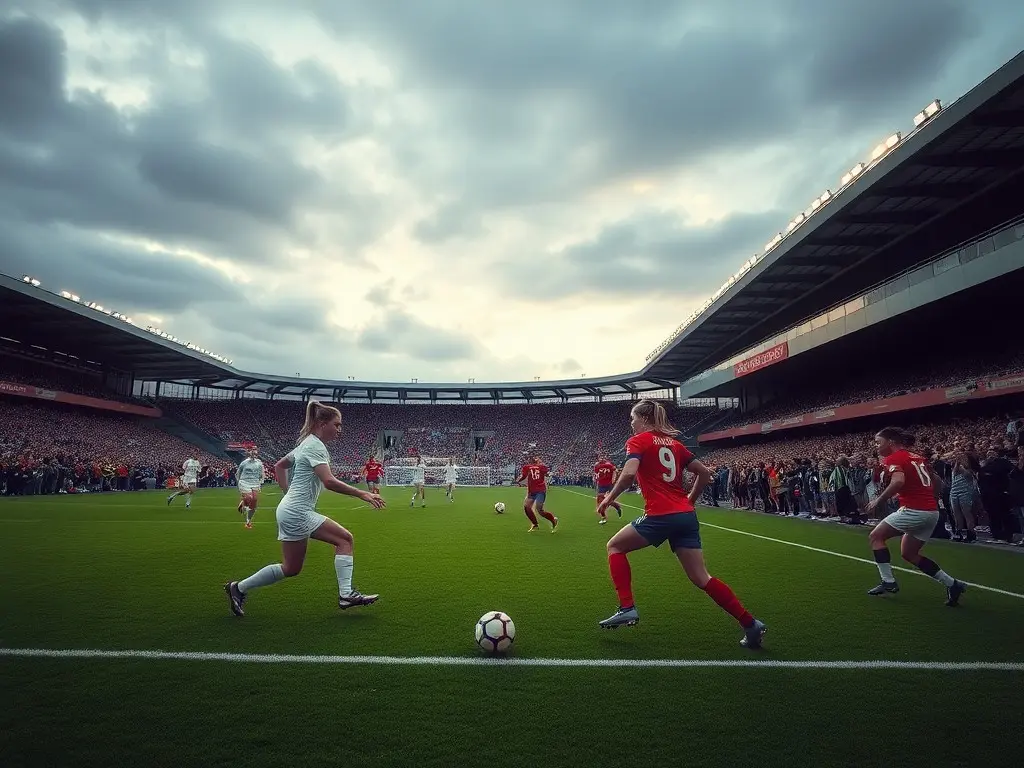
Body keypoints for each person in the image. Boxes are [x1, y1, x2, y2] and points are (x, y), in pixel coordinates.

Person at [596, 400, 767, 648]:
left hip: (660, 514)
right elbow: (704, 474)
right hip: (685, 516)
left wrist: (609, 498)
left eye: (633, 418)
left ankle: (626, 607)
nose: (631, 423)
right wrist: (690, 501)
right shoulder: (675, 444)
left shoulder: (638, 441)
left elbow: (630, 473)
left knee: (614, 546)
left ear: (644, 419)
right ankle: (751, 624)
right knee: (701, 577)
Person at [224, 401, 385, 616]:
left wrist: (287, 494)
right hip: (298, 512)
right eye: (336, 424)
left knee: (291, 568)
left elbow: (279, 465)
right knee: (345, 540)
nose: (340, 429)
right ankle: (346, 594)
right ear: (322, 423)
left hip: (290, 510)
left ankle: (238, 588)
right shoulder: (315, 446)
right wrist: (362, 493)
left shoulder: (306, 444)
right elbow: (329, 481)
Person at [865, 427, 966, 606]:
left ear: (890, 442)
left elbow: (898, 481)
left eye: (878, 442)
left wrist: (879, 500)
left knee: (876, 537)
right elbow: (936, 480)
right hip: (931, 512)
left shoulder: (893, 458)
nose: (876, 446)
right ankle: (952, 584)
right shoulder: (917, 457)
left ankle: (888, 581)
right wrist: (929, 497)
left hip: (914, 510)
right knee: (909, 553)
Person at [517, 454, 558, 533]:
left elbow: (546, 474)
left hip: (540, 490)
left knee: (539, 510)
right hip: (532, 491)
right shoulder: (528, 467)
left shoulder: (541, 467)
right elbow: (524, 476)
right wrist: (519, 480)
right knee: (527, 507)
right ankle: (535, 524)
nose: (537, 460)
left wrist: (549, 474)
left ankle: (553, 520)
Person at [235, 447, 266, 529]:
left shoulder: (259, 463)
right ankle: (244, 501)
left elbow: (262, 473)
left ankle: (248, 521)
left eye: (255, 452)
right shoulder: (244, 463)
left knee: (254, 500)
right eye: (252, 452)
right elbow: (238, 473)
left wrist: (261, 481)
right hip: (244, 482)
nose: (254, 454)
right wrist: (239, 482)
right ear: (249, 453)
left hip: (255, 483)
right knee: (249, 498)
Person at [593, 454, 621, 524]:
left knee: (604, 501)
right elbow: (597, 474)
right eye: (600, 457)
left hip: (608, 485)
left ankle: (604, 517)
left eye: (602, 457)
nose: (601, 459)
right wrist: (596, 480)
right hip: (601, 485)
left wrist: (614, 480)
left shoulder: (608, 464)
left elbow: (616, 471)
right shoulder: (597, 465)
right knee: (602, 501)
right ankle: (616, 507)